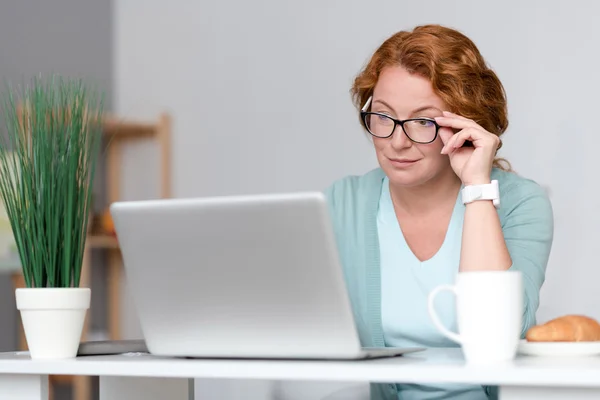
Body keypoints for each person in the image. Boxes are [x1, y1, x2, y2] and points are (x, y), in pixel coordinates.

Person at [324, 24, 554, 400]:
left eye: (423, 121)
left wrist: (477, 188)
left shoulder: (520, 202)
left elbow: (496, 334)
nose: (396, 142)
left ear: (466, 122)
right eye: (383, 116)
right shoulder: (342, 202)